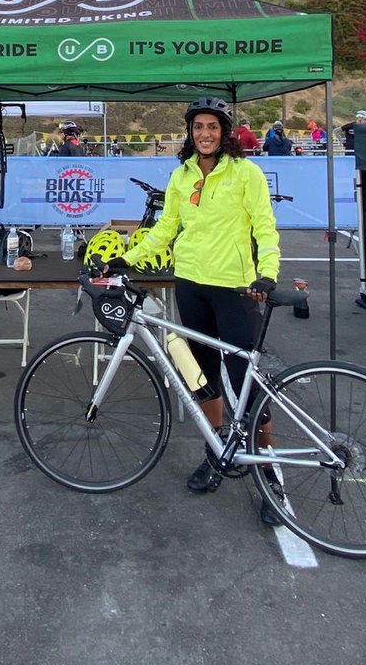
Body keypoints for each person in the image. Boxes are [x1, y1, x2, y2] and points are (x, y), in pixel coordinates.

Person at [108, 96, 284, 527]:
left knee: (247, 383)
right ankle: (217, 454)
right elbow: (165, 228)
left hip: (236, 288)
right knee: (202, 378)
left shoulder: (247, 173)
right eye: (198, 126)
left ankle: (269, 476)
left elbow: (265, 225)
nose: (205, 133)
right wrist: (128, 258)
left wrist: (267, 274)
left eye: (213, 126)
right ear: (190, 132)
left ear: (225, 132)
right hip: (191, 284)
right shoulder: (181, 175)